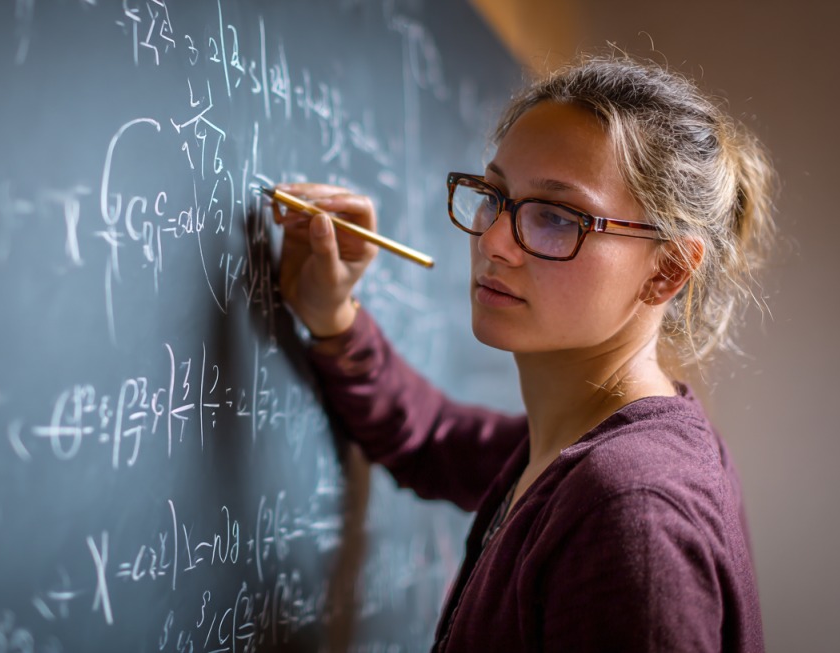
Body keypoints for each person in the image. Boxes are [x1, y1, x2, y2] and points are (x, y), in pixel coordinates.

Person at [272, 54, 774, 652]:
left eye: (558, 218)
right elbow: (434, 440)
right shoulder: (578, 443)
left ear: (667, 271)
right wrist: (334, 318)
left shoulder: (631, 508)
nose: (491, 241)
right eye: (495, 195)